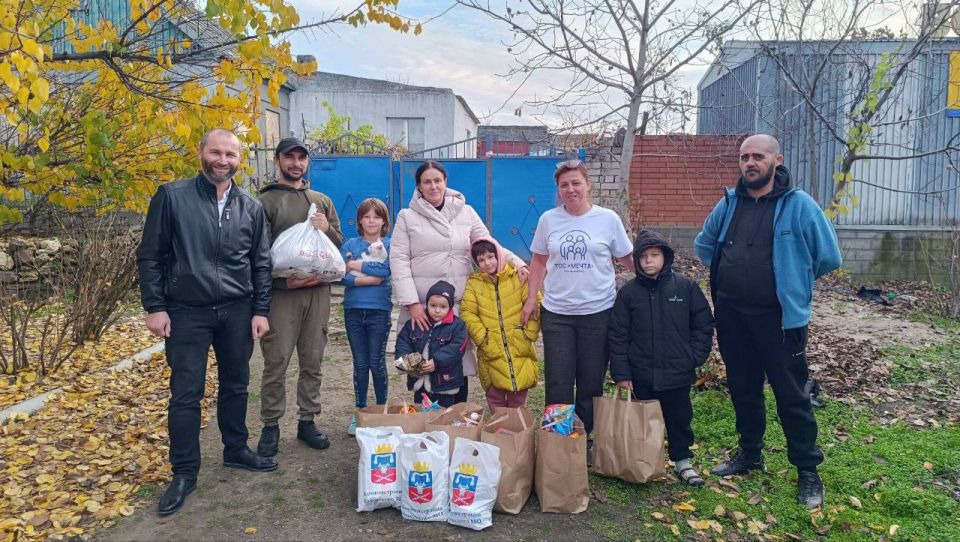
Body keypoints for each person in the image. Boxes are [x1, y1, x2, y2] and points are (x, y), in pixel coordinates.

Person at [694, 134, 842, 509]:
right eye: (744, 157)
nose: (750, 163)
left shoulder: (799, 205)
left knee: (792, 396)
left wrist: (794, 281)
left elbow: (828, 256)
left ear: (777, 159)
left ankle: (808, 471)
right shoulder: (729, 204)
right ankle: (750, 454)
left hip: (779, 321)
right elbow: (703, 245)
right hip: (732, 315)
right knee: (743, 389)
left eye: (758, 156)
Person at [137, 128, 276, 517]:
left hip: (236, 310)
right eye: (216, 152)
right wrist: (155, 306)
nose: (222, 160)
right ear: (201, 153)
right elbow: (150, 255)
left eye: (230, 154)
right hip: (186, 310)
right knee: (186, 393)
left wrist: (260, 310)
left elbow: (260, 263)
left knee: (236, 385)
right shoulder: (172, 197)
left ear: (239, 160)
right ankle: (184, 472)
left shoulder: (251, 206)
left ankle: (235, 450)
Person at [521, 159, 634, 458]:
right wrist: (532, 298)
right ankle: (559, 439)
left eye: (576, 183)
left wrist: (654, 283)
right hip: (557, 313)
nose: (571, 189)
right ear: (558, 190)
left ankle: (585, 440)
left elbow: (627, 258)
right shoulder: (549, 219)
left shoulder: (607, 219)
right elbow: (539, 262)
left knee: (590, 379)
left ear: (588, 184)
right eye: (564, 185)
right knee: (558, 378)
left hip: (598, 312)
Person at [390, 161, 528, 403]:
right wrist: (411, 302)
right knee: (424, 359)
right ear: (419, 187)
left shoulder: (466, 212)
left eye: (437, 180)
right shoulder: (407, 217)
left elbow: (489, 243)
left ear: (445, 182)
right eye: (426, 182)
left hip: (458, 303)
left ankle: (456, 421)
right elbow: (399, 259)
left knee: (455, 360)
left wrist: (518, 263)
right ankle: (427, 424)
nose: (433, 186)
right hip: (424, 305)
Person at [255, 137, 344, 457]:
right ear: (278, 159)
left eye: (301, 158)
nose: (296, 163)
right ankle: (270, 425)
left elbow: (338, 246)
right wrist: (282, 285)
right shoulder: (265, 202)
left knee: (312, 359)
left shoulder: (321, 201)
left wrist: (325, 228)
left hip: (318, 293)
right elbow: (257, 253)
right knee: (276, 361)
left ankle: (307, 420)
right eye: (289, 157)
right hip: (283, 296)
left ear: (308, 162)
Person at [608, 230, 714, 487]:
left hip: (678, 372)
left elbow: (703, 323)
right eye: (643, 256)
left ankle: (682, 462)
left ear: (665, 257)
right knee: (643, 421)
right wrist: (622, 373)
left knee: (679, 417)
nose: (648, 261)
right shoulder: (628, 294)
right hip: (641, 373)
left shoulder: (685, 287)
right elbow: (618, 334)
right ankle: (644, 460)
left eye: (654, 255)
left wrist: (695, 356)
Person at [460, 237, 540, 413]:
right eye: (481, 260)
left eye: (490, 257)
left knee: (519, 394)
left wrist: (528, 334)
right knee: (495, 395)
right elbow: (467, 312)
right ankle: (498, 430)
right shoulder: (475, 284)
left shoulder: (518, 277)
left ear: (499, 255)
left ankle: (518, 433)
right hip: (491, 349)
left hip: (518, 346)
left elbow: (534, 305)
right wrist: (483, 337)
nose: (487, 263)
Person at [340, 198, 392, 435]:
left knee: (377, 363)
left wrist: (355, 265)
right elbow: (341, 273)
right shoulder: (350, 243)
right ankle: (360, 412)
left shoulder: (389, 245)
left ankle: (382, 411)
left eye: (377, 217)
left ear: (384, 221)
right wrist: (368, 278)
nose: (372, 221)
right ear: (360, 219)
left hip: (379, 311)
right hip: (353, 311)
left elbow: (385, 271)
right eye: (367, 216)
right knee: (360, 364)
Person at [394, 280, 468, 408]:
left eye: (443, 307)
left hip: (445, 384)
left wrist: (437, 362)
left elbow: (457, 348)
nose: (437, 310)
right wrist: (407, 361)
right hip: (420, 383)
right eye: (433, 305)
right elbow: (403, 343)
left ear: (450, 307)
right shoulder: (414, 324)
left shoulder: (458, 325)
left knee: (443, 417)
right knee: (421, 415)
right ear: (427, 304)